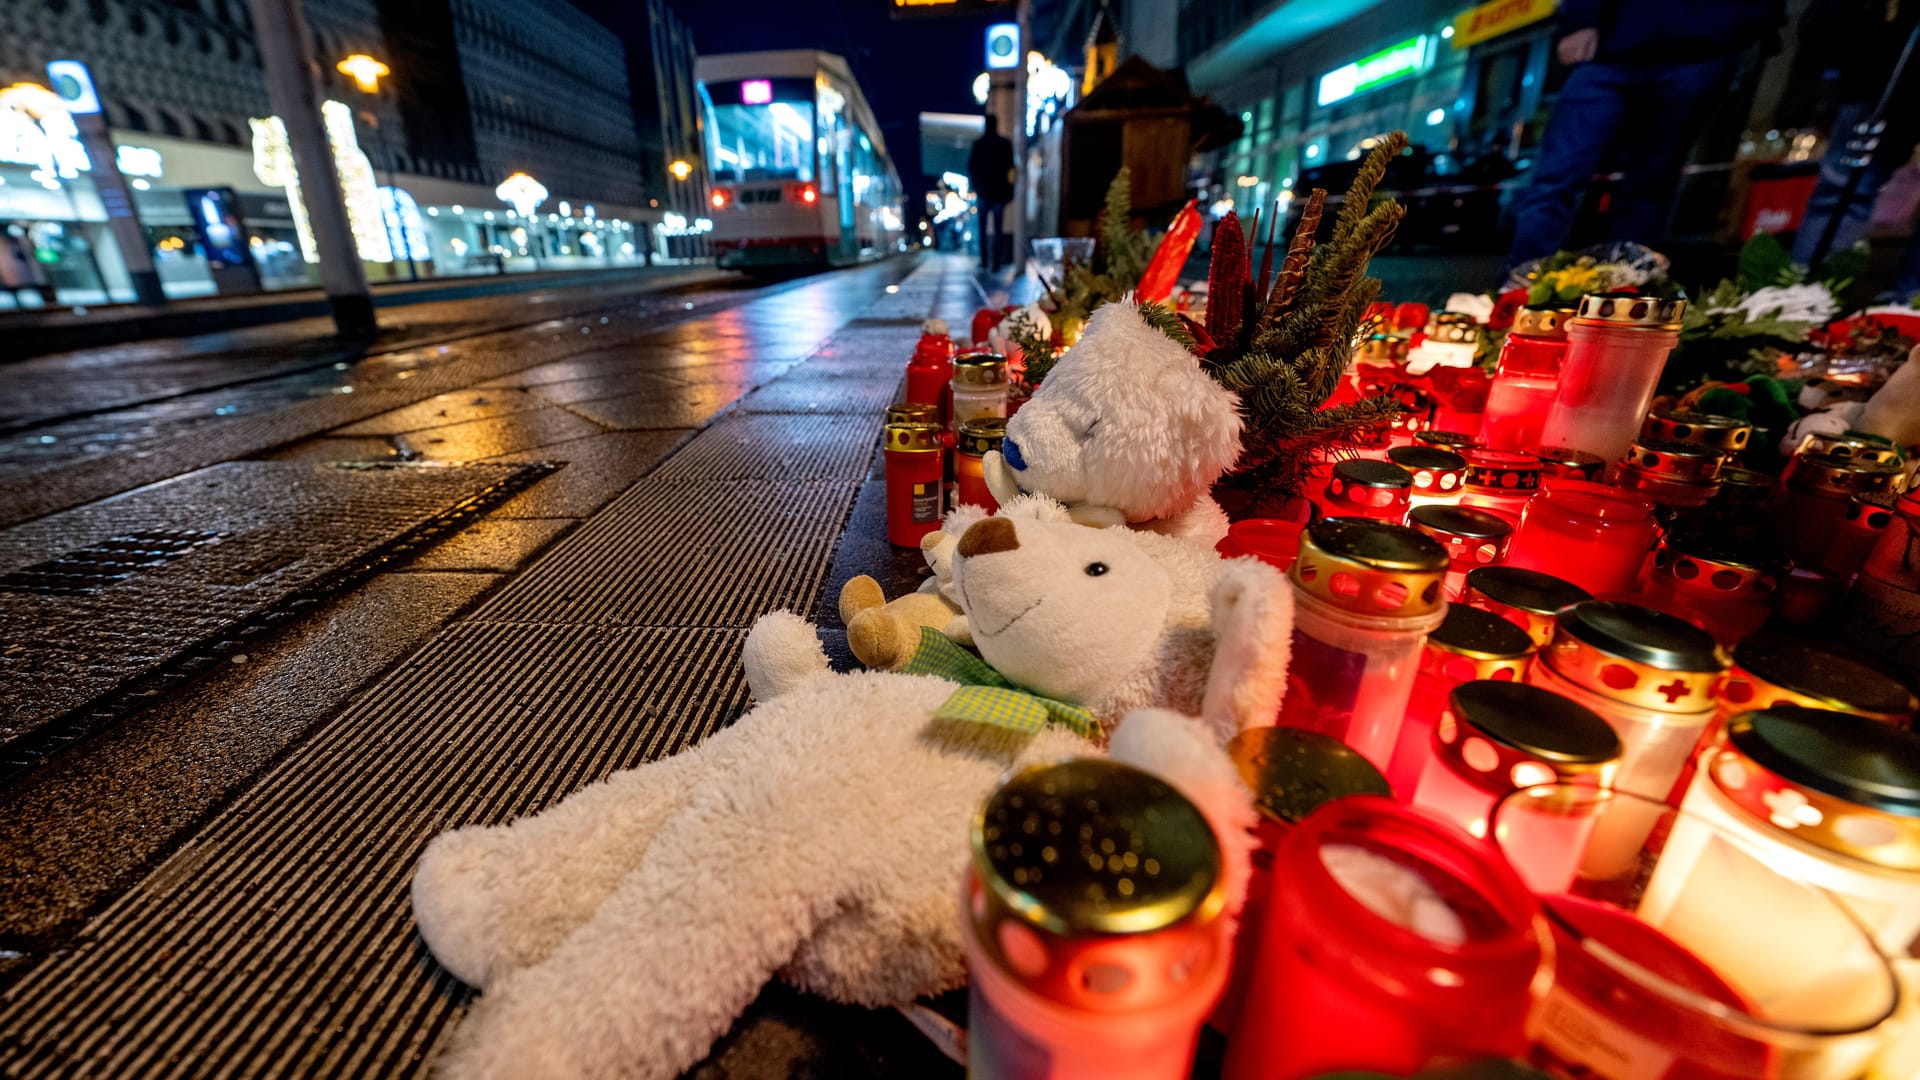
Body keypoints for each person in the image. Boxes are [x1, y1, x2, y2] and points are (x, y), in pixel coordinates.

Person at [1507, 0, 1779, 266]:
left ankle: (1621, 293)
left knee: (1652, 184)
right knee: (1556, 175)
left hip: (1702, 46)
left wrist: (1750, 24)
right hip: (1612, 44)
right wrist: (1581, 18)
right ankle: (1520, 287)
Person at [1790, 0, 1920, 298]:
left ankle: (1908, 319)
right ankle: (1799, 306)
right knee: (1843, 189)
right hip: (1889, 57)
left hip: (1884, 58)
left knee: (1842, 191)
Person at [967, 114, 1016, 271]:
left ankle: (985, 260)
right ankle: (995, 262)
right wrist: (1010, 191)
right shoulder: (1004, 144)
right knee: (998, 229)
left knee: (983, 228)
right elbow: (1011, 170)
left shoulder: (979, 144)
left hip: (984, 194)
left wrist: (975, 187)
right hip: (999, 194)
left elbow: (972, 168)